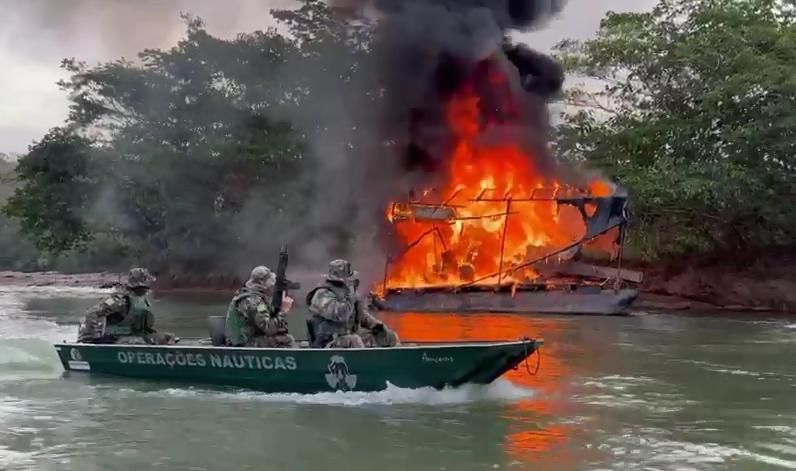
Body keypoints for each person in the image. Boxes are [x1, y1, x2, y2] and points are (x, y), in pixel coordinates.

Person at [306, 259, 399, 348]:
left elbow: (360, 315)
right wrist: (350, 295)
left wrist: (377, 326)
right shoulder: (322, 294)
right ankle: (361, 364)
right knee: (355, 340)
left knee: (389, 337)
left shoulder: (347, 294)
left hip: (347, 339)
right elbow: (341, 315)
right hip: (326, 343)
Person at [77, 268, 176, 345]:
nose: (149, 286)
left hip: (135, 337)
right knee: (141, 342)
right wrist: (91, 339)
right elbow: (92, 313)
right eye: (147, 282)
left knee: (167, 337)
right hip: (115, 339)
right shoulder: (119, 299)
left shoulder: (143, 300)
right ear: (141, 285)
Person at [224, 265, 296, 348]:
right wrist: (283, 311)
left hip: (246, 338)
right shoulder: (253, 301)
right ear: (262, 283)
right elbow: (268, 328)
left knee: (283, 336)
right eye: (270, 281)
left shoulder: (252, 295)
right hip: (244, 343)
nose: (272, 285)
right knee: (288, 340)